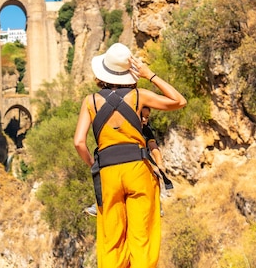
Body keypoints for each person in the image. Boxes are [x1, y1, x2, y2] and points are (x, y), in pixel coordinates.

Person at [74, 42, 186, 268]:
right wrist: (150, 75)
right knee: (141, 237)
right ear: (129, 72)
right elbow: (179, 101)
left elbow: (79, 142)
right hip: (138, 169)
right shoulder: (139, 96)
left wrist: (94, 165)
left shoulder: (90, 102)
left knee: (112, 239)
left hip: (108, 173)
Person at [83, 105, 167, 218]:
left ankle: (156, 205)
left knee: (154, 175)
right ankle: (101, 204)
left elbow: (153, 147)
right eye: (141, 116)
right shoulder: (125, 128)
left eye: (147, 117)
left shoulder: (146, 131)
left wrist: (160, 163)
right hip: (125, 163)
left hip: (142, 164)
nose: (144, 120)